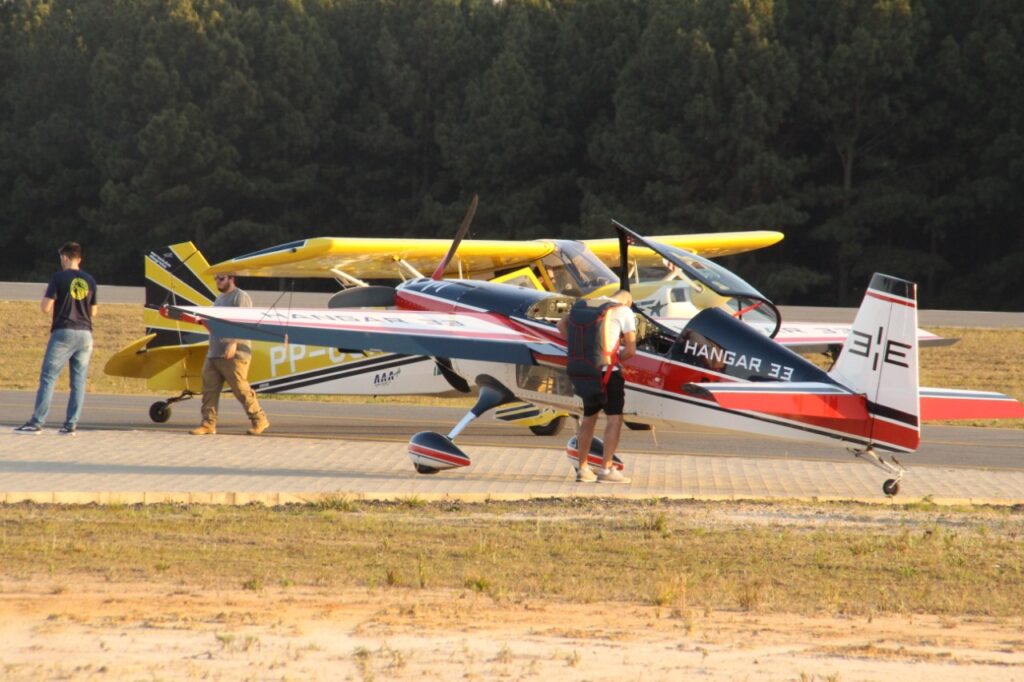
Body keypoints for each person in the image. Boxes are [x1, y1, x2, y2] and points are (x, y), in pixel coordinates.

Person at [14, 242, 98, 435]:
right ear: (80, 258)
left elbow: (45, 307)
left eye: (62, 258)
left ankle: (37, 422)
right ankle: (70, 424)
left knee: (49, 377)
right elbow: (93, 311)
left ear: (66, 258)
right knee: (78, 381)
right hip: (85, 333)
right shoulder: (90, 280)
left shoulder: (58, 278)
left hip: (64, 331)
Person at [557, 289, 637, 483]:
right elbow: (631, 349)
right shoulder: (624, 311)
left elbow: (561, 325)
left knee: (589, 418)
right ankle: (606, 469)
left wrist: (582, 348)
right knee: (614, 420)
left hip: (585, 371)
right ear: (627, 301)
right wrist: (615, 359)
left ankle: (582, 469)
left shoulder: (587, 305)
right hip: (608, 372)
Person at [189, 274, 270, 436]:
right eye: (216, 279)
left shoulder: (240, 296)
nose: (217, 281)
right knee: (209, 389)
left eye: (221, 278)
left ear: (231, 279)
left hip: (235, 353)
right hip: (214, 352)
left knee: (240, 389)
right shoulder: (219, 299)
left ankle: (259, 419)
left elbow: (246, 323)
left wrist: (234, 342)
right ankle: (208, 424)